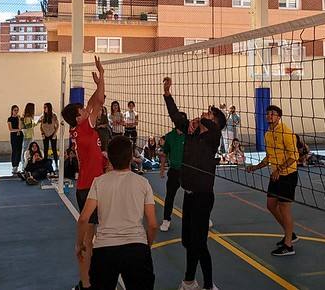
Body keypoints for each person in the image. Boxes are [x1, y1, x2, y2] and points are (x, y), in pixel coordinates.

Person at [163, 76, 226, 290]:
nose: (204, 114)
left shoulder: (212, 139)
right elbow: (175, 117)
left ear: (214, 123)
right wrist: (167, 94)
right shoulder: (192, 135)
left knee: (198, 244)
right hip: (189, 196)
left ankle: (201, 284)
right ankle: (197, 282)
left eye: (209, 114)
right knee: (188, 242)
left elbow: (213, 126)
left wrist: (202, 119)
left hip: (202, 197)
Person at [77, 136, 157, 290]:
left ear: (110, 159)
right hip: (136, 248)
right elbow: (153, 225)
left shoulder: (99, 182)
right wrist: (146, 246)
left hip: (105, 250)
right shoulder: (143, 183)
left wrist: (79, 245)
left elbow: (83, 219)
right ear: (130, 158)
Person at [61, 56, 107, 290]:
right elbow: (98, 100)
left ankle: (88, 281)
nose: (87, 111)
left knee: (95, 239)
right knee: (91, 240)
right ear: (79, 117)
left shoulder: (78, 129)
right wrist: (102, 74)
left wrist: (98, 83)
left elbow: (93, 101)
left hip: (89, 187)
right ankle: (87, 283)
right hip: (92, 189)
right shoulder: (84, 125)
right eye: (83, 111)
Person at [246, 105, 299, 257]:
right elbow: (270, 156)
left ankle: (288, 246)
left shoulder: (286, 132)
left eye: (273, 114)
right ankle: (290, 234)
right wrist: (256, 167)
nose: (269, 116)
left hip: (287, 174)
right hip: (275, 174)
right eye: (268, 113)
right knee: (270, 205)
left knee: (284, 207)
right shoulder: (268, 133)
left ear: (279, 117)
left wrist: (279, 170)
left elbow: (294, 156)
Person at [160, 122, 185, 233]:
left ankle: (201, 218)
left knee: (195, 197)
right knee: (170, 196)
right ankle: (166, 220)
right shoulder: (170, 136)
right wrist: (162, 169)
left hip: (187, 172)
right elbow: (165, 153)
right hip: (174, 171)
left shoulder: (189, 135)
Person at [21, 103, 39, 170]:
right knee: (25, 150)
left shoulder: (28, 117)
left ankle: (27, 164)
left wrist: (36, 122)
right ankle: (24, 165)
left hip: (30, 135)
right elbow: (28, 126)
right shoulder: (27, 117)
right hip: (27, 135)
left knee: (26, 150)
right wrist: (36, 123)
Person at [7, 105, 23, 176]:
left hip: (19, 135)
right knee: (14, 150)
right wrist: (18, 130)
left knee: (19, 150)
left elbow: (20, 127)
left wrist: (19, 119)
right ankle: (13, 166)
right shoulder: (9, 119)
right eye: (15, 110)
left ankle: (17, 165)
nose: (16, 112)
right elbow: (10, 129)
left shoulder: (19, 118)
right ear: (12, 111)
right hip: (13, 136)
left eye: (17, 110)